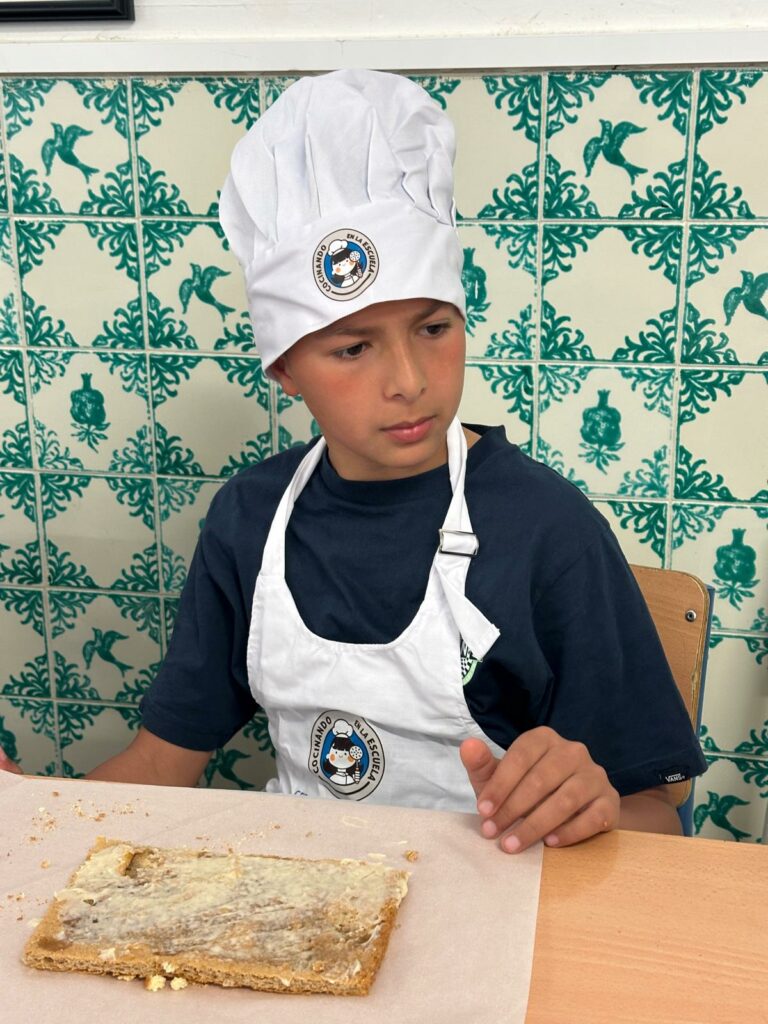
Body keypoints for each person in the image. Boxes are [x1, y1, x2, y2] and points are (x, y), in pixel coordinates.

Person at [0, 70, 706, 855]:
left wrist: (593, 802)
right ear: (285, 369)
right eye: (352, 348)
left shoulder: (547, 529)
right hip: (300, 892)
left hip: (496, 900)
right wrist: (28, 819)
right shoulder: (249, 519)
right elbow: (162, 763)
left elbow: (654, 813)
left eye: (433, 329)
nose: (408, 381)